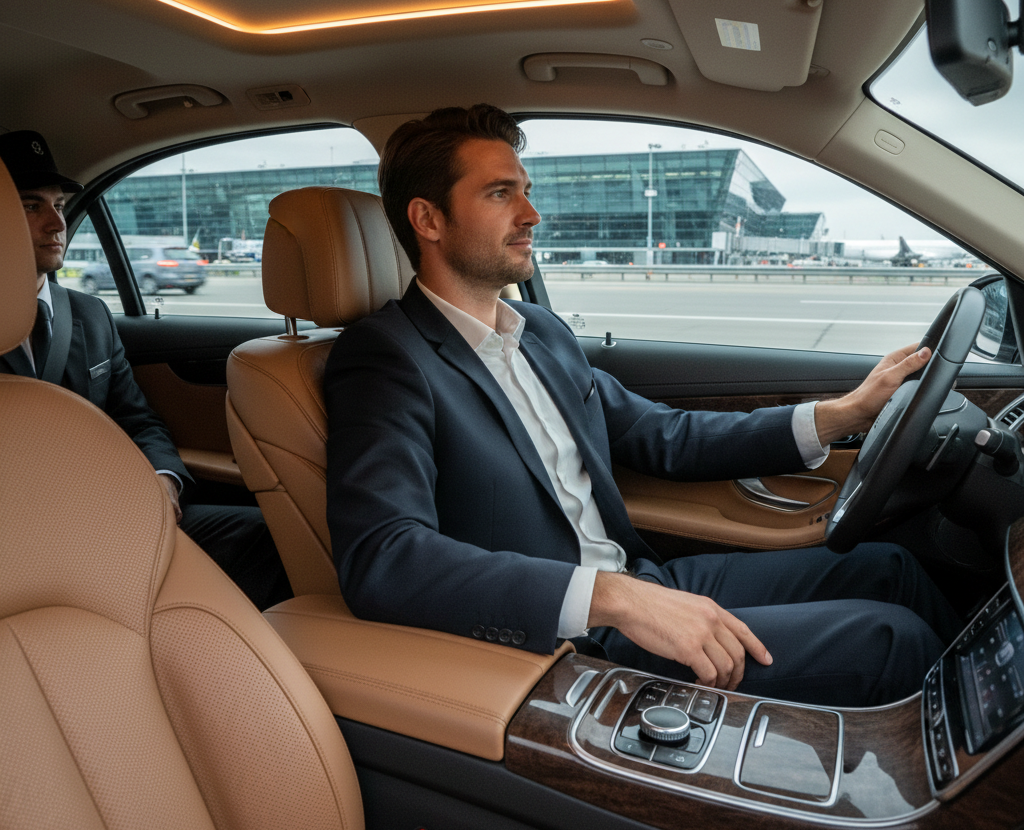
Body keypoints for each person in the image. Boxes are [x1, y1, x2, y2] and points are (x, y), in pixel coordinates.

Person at [324, 105, 961, 708]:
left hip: (641, 583)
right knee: (889, 640)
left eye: (525, 189)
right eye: (500, 194)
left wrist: (845, 413)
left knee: (890, 570)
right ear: (428, 220)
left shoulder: (539, 332)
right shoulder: (385, 358)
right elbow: (385, 556)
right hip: (568, 640)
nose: (532, 213)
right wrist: (612, 599)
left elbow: (663, 435)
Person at [0, 129, 291, 612]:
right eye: (31, 206)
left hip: (114, 513)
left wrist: (163, 480)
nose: (57, 222)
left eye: (58, 205)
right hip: (22, 536)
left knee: (267, 537)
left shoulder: (89, 315)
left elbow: (136, 418)